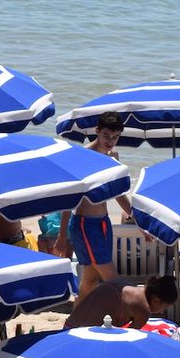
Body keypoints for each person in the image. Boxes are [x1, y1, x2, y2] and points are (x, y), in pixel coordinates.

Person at [55, 112, 133, 309]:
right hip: (85, 225)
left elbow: (117, 193)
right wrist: (62, 237)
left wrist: (138, 220)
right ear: (97, 132)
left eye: (115, 137)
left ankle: (73, 321)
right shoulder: (83, 158)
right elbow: (68, 198)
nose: (110, 141)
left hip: (103, 223)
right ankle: (125, 316)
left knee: (90, 280)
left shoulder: (111, 158)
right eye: (106, 135)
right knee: (113, 281)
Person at [64, 273, 179, 330]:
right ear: (156, 300)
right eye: (164, 307)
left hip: (68, 326)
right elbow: (128, 340)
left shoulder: (127, 286)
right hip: (85, 334)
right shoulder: (143, 309)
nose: (161, 312)